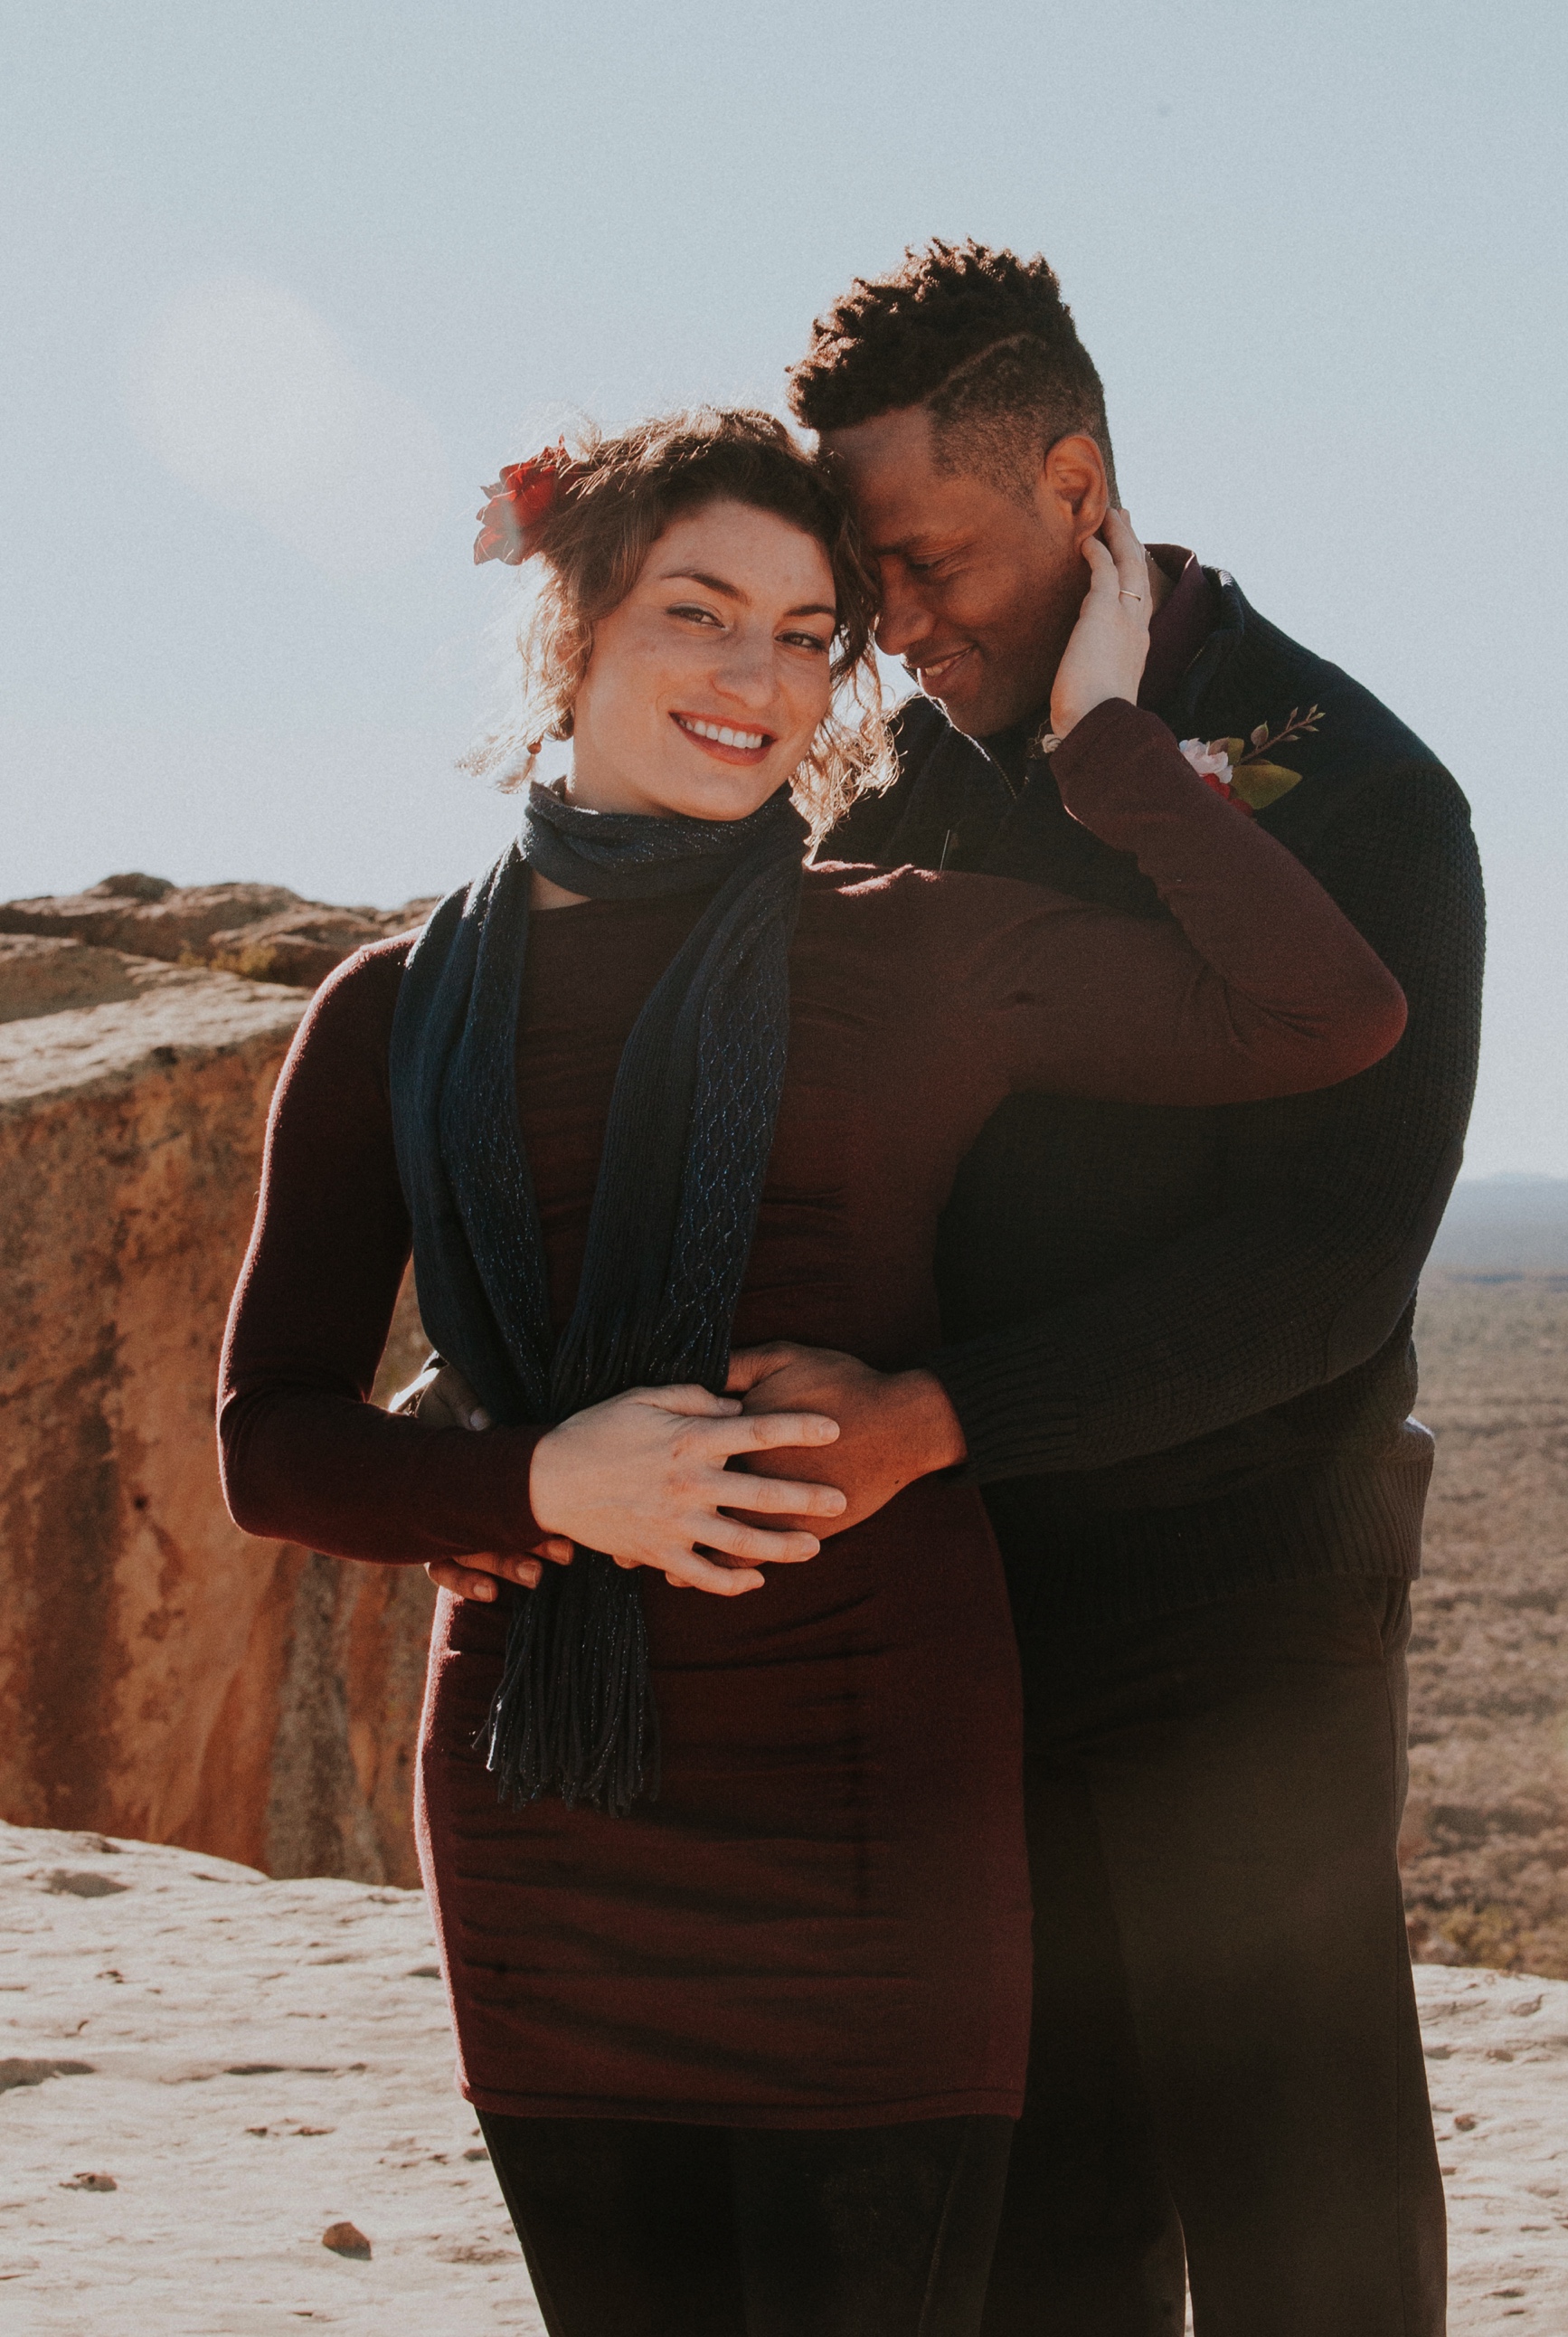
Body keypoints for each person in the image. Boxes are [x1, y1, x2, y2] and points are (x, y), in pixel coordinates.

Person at [217, 404, 1407, 2337]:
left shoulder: (912, 953)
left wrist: (1112, 747)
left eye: (802, 634)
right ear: (574, 634)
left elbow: (1324, 1011)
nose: (754, 681)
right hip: (551, 1818)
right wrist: (538, 1484)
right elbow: (271, 1448)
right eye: (699, 613)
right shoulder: (398, 1007)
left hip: (875, 1818)